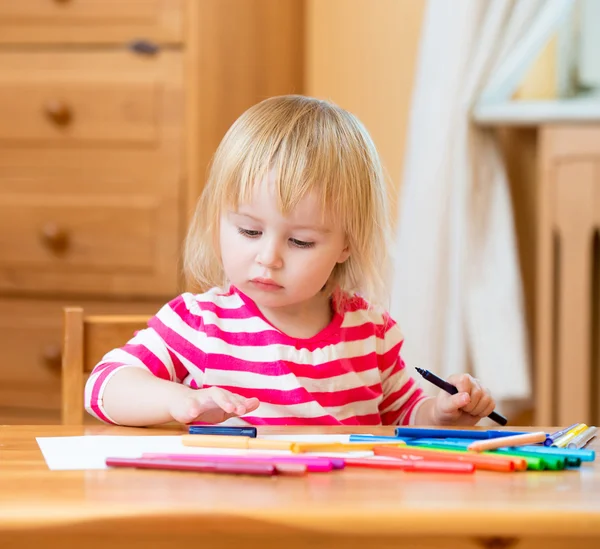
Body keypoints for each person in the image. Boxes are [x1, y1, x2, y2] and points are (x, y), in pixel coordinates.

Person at [85, 95, 496, 427]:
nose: (268, 258)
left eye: (300, 241)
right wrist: (179, 400)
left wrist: (442, 412)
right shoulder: (200, 323)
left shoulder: (370, 332)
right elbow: (103, 386)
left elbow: (404, 417)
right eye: (249, 231)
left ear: (346, 245)